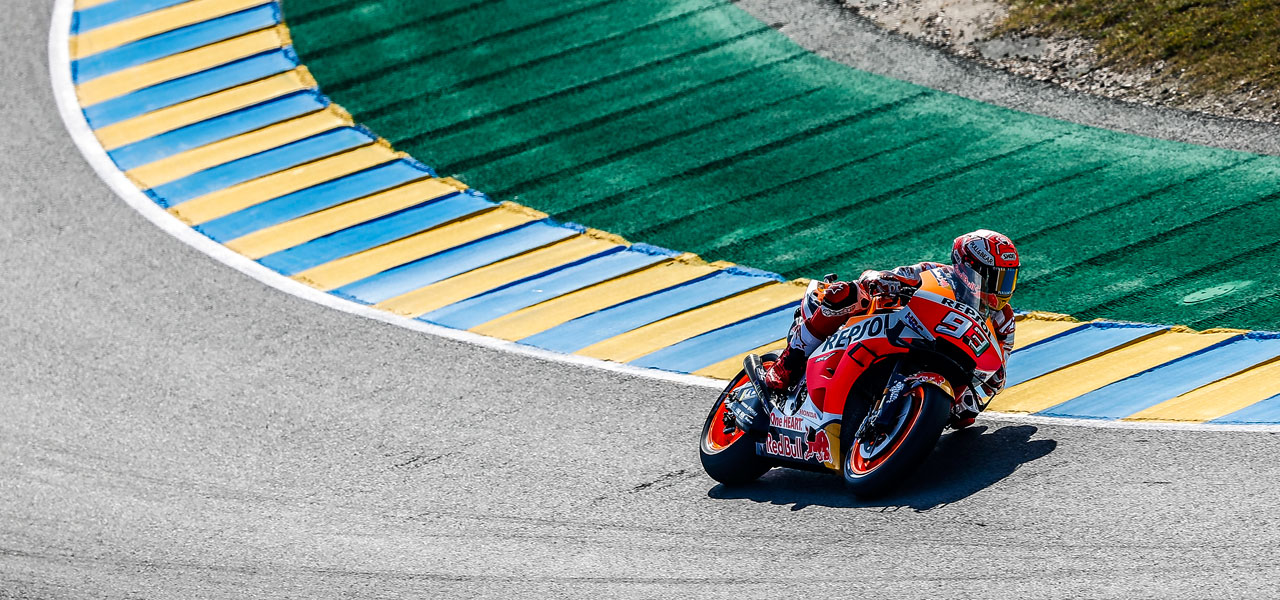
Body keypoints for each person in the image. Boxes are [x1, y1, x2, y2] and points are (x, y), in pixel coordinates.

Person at [762, 230, 1020, 427]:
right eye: (995, 278)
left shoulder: (1004, 321)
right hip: (892, 326)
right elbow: (894, 275)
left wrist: (971, 403)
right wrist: (883, 280)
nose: (1002, 288)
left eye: (1008, 279)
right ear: (967, 268)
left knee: (965, 417)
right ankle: (788, 361)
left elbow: (996, 373)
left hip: (945, 356)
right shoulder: (936, 272)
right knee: (844, 294)